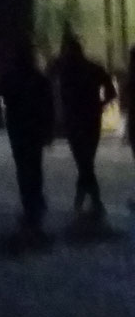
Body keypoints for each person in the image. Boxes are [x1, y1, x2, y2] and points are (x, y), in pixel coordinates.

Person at [53, 32, 115, 219]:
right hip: (91, 118)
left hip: (73, 119)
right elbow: (111, 92)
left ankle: (87, 198)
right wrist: (101, 105)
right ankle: (90, 198)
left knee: (83, 160)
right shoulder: (94, 68)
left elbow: (49, 78)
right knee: (87, 160)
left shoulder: (63, 69)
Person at [0, 47, 54, 239]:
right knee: (35, 166)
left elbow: (2, 96)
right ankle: (36, 202)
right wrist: (48, 129)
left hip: (17, 128)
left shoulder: (10, 78)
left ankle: (29, 204)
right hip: (35, 128)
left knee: (22, 168)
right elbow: (49, 105)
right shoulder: (39, 79)